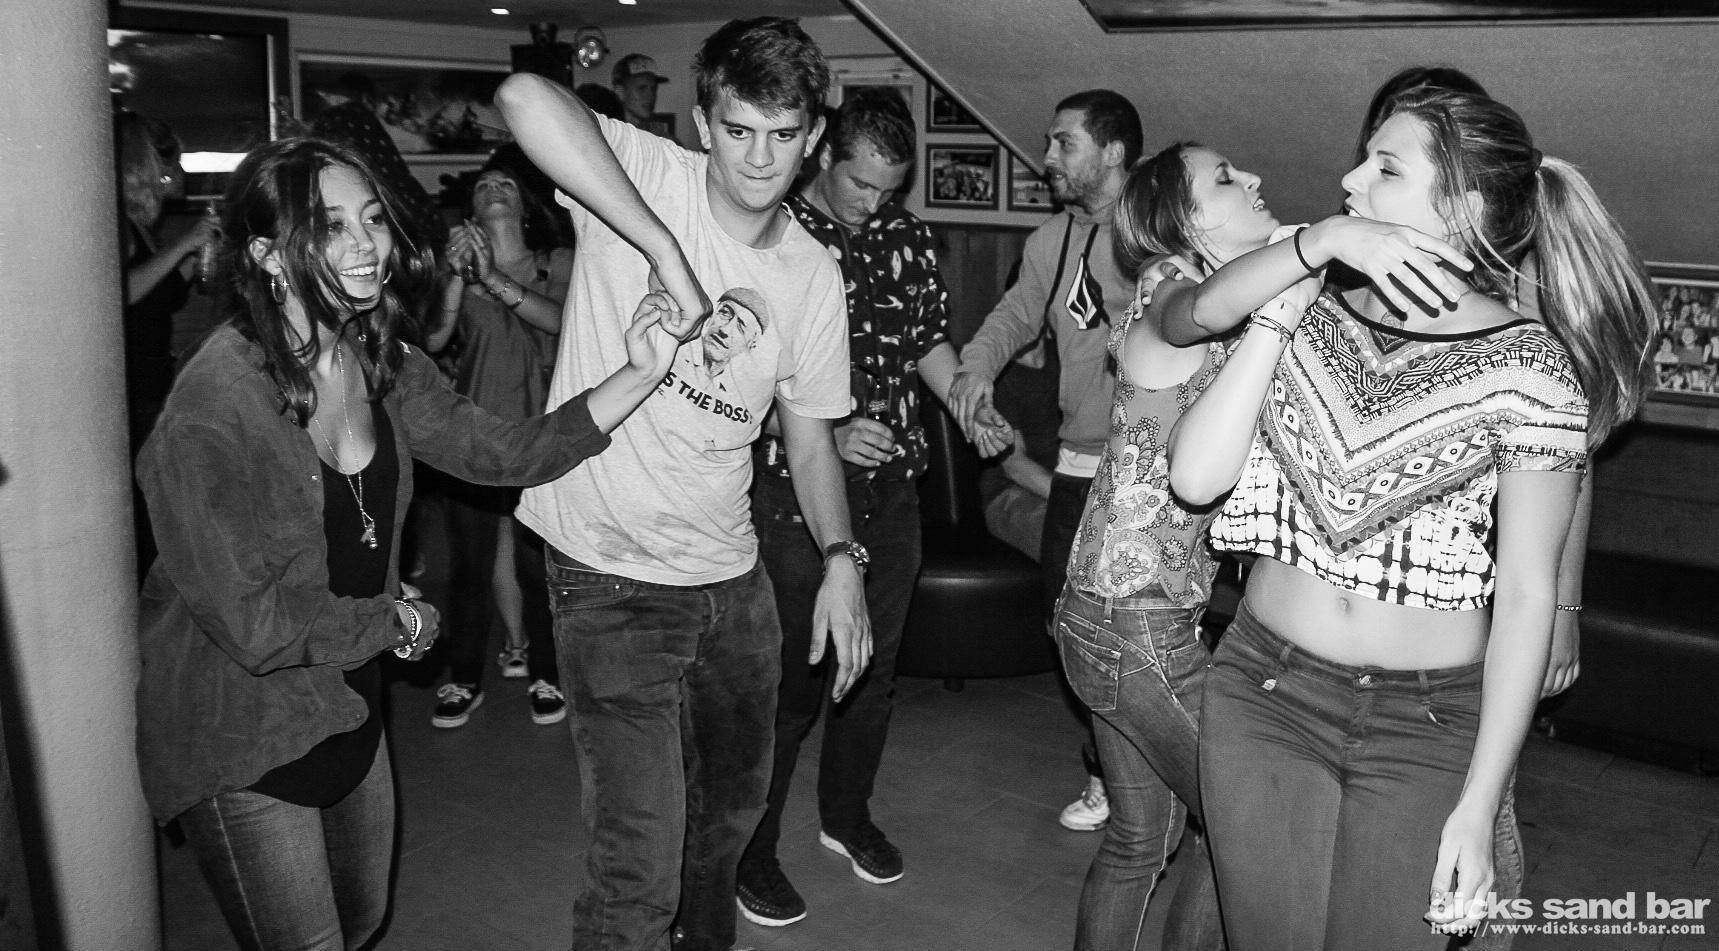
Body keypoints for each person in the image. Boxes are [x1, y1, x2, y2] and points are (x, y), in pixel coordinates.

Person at [132, 136, 682, 949]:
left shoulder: (379, 358)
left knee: (361, 920)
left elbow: (503, 453)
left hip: (347, 697)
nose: (366, 245)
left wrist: (640, 372)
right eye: (331, 226)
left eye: (372, 220)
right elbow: (255, 623)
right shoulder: (213, 408)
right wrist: (394, 621)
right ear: (267, 254)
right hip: (241, 726)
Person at [1165, 89, 1654, 949]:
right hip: (1263, 690)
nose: (1350, 180)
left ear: (1462, 205)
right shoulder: (1306, 298)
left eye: (1384, 168)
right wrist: (1313, 247)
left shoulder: (1531, 366)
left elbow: (1527, 592)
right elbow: (1189, 317)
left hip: (1425, 721)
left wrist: (1480, 801)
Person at [497, 17, 870, 951]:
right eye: (737, 130)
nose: (759, 159)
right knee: (639, 859)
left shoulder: (812, 273)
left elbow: (810, 439)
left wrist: (840, 556)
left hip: (730, 580)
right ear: (703, 122)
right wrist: (665, 252)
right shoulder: (643, 170)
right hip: (606, 573)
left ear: (813, 138)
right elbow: (523, 97)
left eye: (783, 135)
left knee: (729, 818)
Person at [1054, 140, 1308, 951]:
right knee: (1245, 816)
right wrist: (1311, 247)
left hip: (1107, 615)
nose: (1254, 176)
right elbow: (1193, 313)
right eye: (1225, 178)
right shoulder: (1170, 287)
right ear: (1182, 221)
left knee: (1143, 836)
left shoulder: (1216, 306)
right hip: (1134, 625)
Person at [736, 87, 963, 928]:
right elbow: (732, 370)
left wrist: (965, 397)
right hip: (791, 485)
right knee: (791, 677)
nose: (873, 203)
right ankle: (748, 847)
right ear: (824, 156)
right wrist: (823, 433)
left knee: (872, 665)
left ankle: (845, 815)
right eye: (860, 183)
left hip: (891, 486)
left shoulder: (907, 237)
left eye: (888, 189)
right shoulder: (773, 236)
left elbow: (926, 342)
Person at [949, 89, 1143, 832]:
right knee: (1072, 629)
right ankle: (1113, 766)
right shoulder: (1051, 241)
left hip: (1147, 471)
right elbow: (1013, 315)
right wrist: (974, 369)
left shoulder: (1156, 229)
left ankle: (1131, 778)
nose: (1048, 156)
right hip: (1077, 465)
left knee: (1137, 632)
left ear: (1112, 152)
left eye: (1064, 143)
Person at [423, 148, 575, 728]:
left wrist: (493, 277)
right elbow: (434, 340)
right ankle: (464, 678)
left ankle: (546, 673)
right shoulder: (456, 272)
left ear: (524, 205)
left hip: (541, 432)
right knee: (469, 566)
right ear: (470, 213)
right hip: (474, 435)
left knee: (538, 566)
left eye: (505, 183)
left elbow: (561, 320)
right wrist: (457, 278)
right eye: (483, 184)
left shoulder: (556, 261)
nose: (494, 188)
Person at [116, 110, 218, 450]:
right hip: (133, 387)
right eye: (167, 168)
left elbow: (159, 291)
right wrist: (185, 244)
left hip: (152, 381)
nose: (173, 176)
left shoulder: (138, 225)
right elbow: (121, 292)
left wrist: (200, 255)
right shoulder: (117, 223)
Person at [612, 52, 670, 132]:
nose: (650, 96)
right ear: (620, 92)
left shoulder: (660, 137)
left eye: (653, 89)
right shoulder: (604, 134)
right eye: (642, 88)